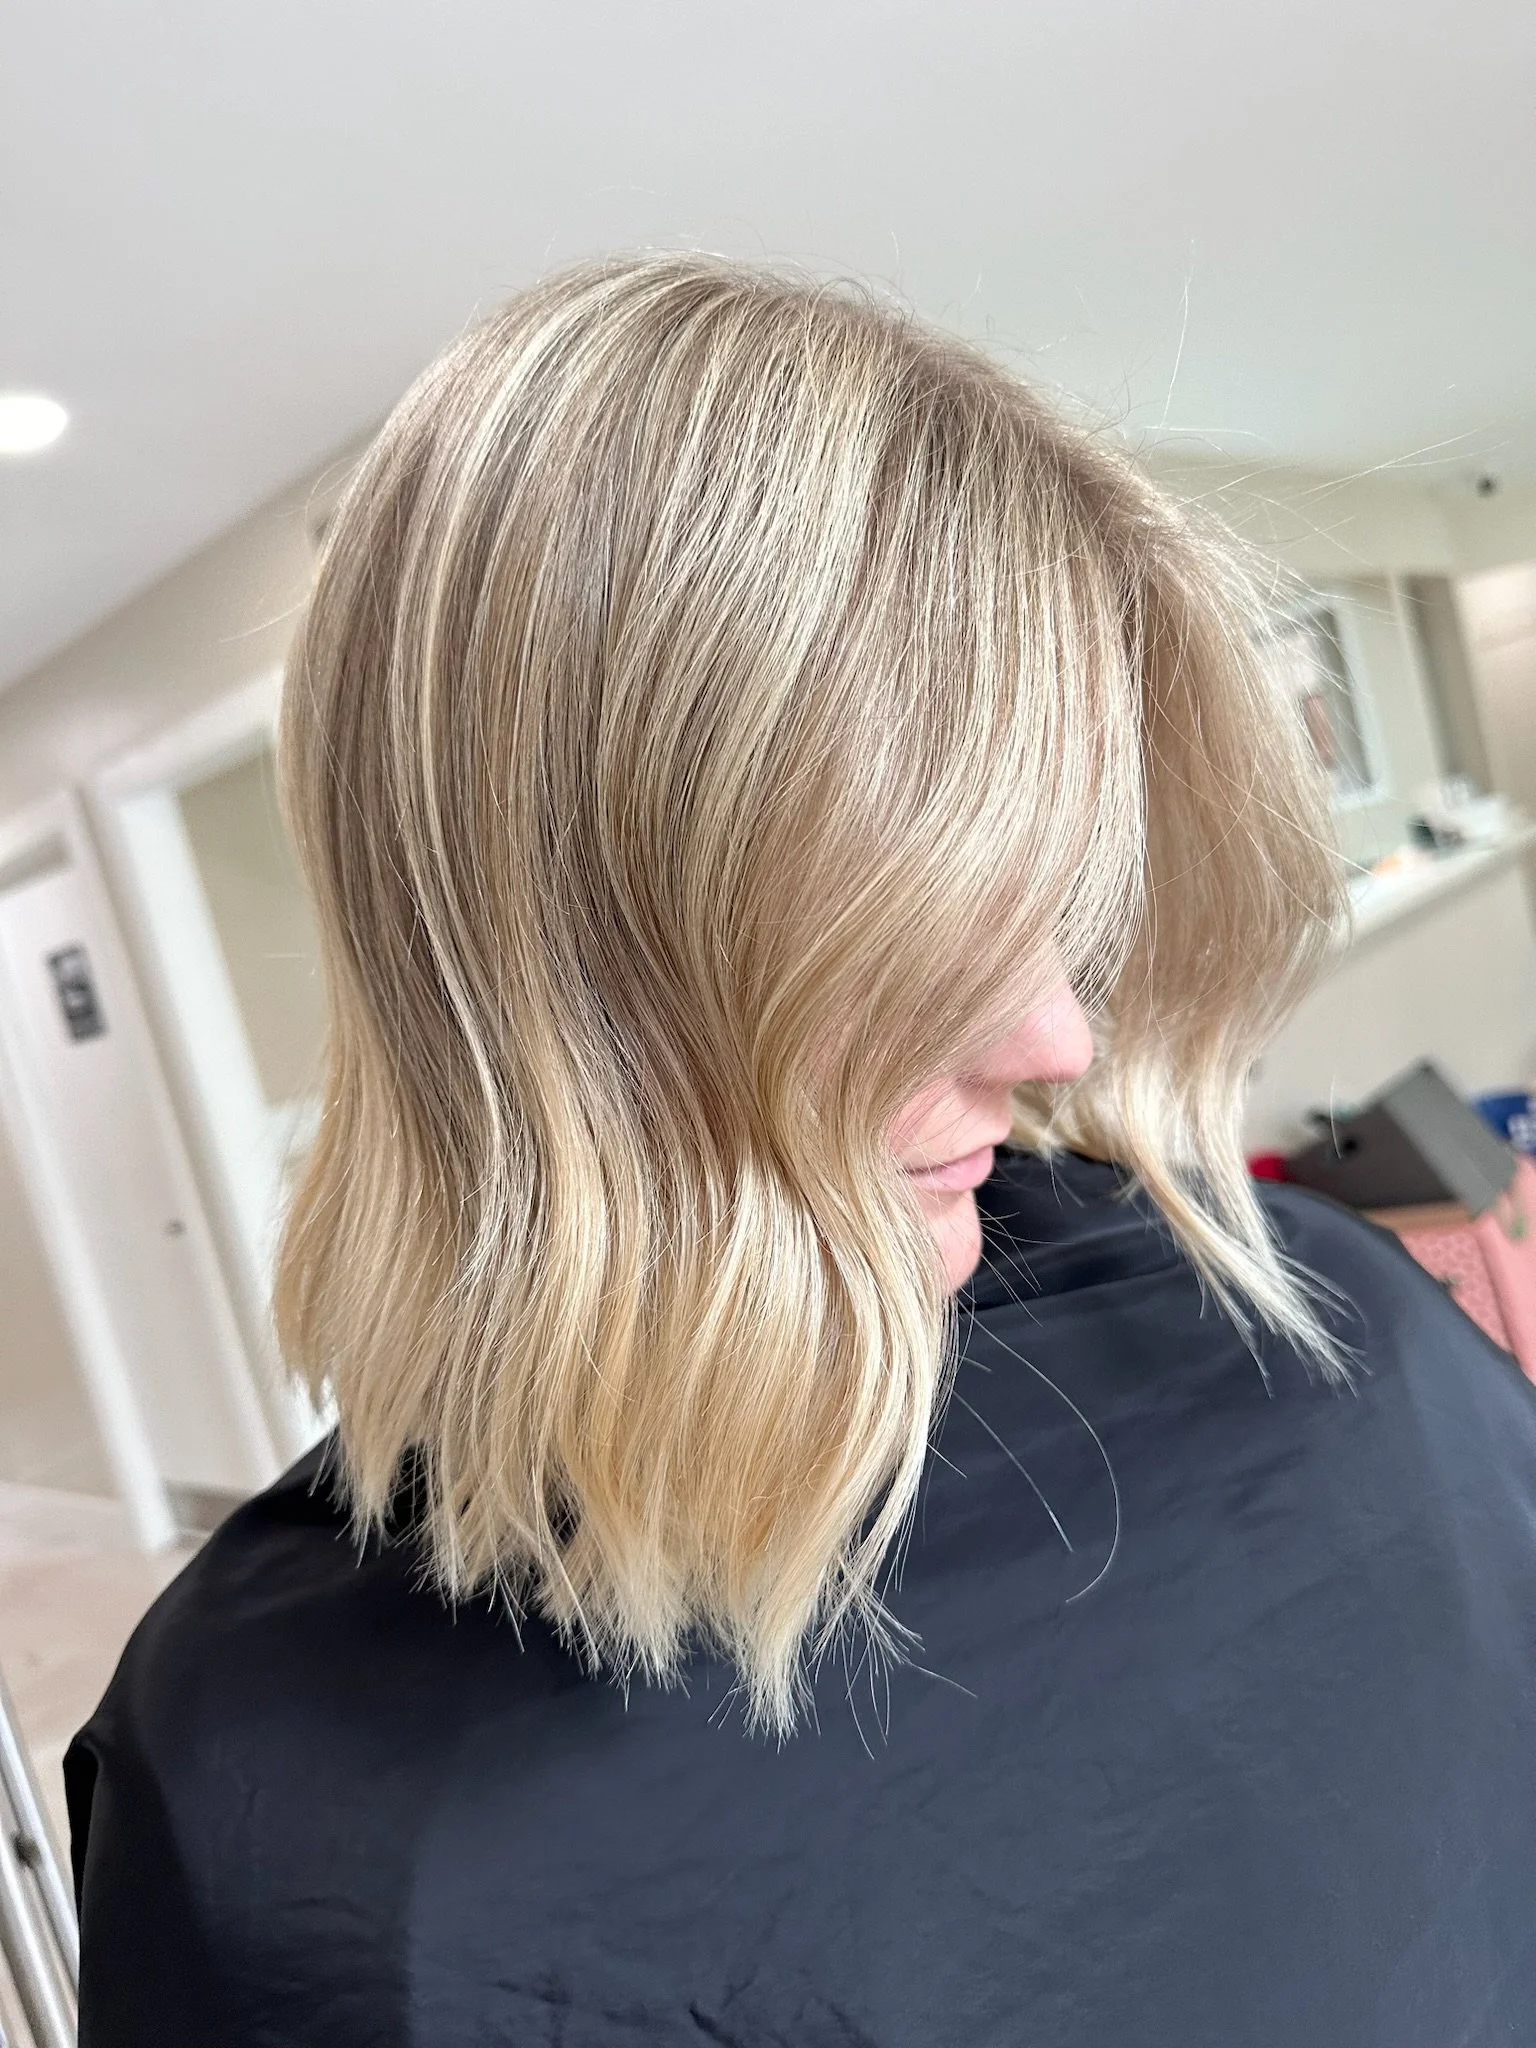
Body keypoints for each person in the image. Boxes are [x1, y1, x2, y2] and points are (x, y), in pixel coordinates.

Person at [66, 254, 1536, 2047]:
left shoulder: (1332, 1321)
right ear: (566, 945)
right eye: (922, 914)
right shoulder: (284, 1809)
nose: (1058, 1041)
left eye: (1061, 895)